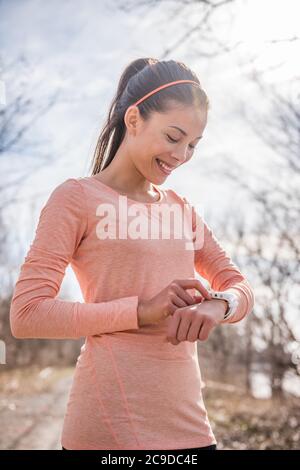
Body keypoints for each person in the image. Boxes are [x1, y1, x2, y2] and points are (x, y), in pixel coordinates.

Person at [9, 58, 255, 451]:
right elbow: (27, 314)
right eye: (174, 137)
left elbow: (238, 285)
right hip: (108, 429)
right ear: (134, 118)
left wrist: (220, 305)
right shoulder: (76, 198)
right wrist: (140, 311)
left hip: (191, 429)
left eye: (193, 144)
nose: (182, 155)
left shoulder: (182, 209)